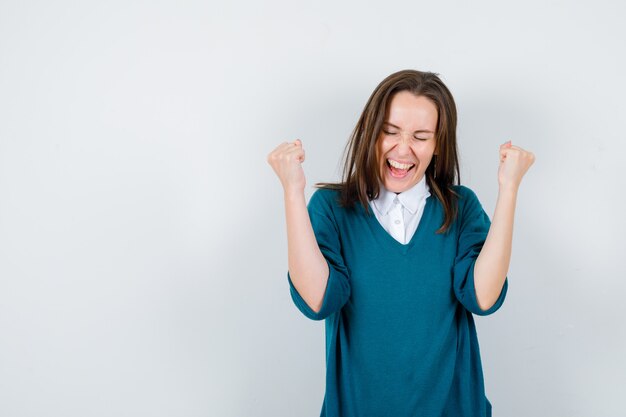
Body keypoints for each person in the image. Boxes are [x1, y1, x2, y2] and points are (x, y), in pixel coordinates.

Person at [266, 69, 535, 417]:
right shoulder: (331, 209)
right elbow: (318, 301)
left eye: (421, 136)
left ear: (438, 145)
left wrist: (509, 189)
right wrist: (292, 191)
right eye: (390, 132)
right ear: (370, 132)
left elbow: (483, 297)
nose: (403, 149)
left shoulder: (460, 207)